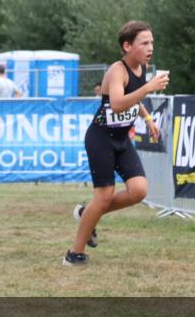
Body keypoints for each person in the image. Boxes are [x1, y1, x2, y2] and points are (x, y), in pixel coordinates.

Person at [65, 21, 170, 266]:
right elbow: (118, 103)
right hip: (100, 139)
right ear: (127, 45)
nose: (150, 47)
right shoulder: (117, 70)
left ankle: (86, 214)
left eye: (151, 42)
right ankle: (74, 254)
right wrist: (148, 88)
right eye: (144, 43)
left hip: (121, 140)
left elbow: (135, 99)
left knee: (139, 191)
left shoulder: (140, 69)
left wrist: (147, 118)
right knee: (103, 197)